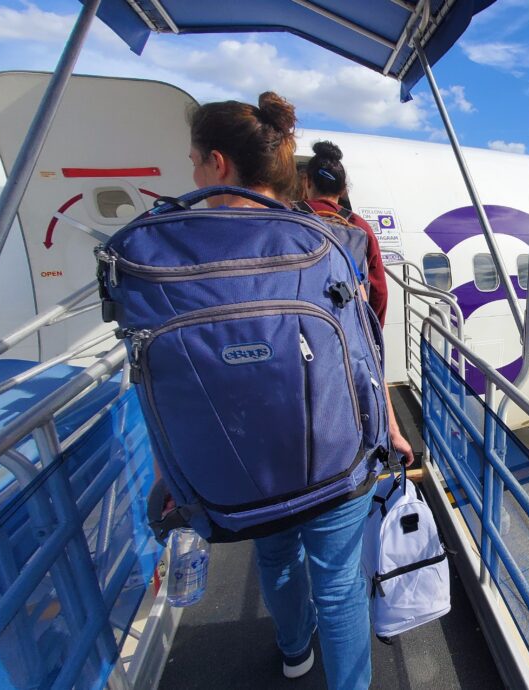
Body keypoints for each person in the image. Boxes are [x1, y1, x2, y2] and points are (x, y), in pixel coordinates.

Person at [188, 91, 414, 689]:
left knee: (276, 557)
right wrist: (388, 430)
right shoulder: (329, 240)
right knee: (339, 586)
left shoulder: (180, 245)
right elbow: (365, 346)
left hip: (243, 457)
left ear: (216, 163)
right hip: (331, 442)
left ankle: (293, 652)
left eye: (193, 161)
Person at [297, 141, 388, 326]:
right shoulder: (359, 226)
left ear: (306, 181)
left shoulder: (284, 218)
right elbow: (379, 292)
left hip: (297, 330)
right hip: (347, 331)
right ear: (343, 188)